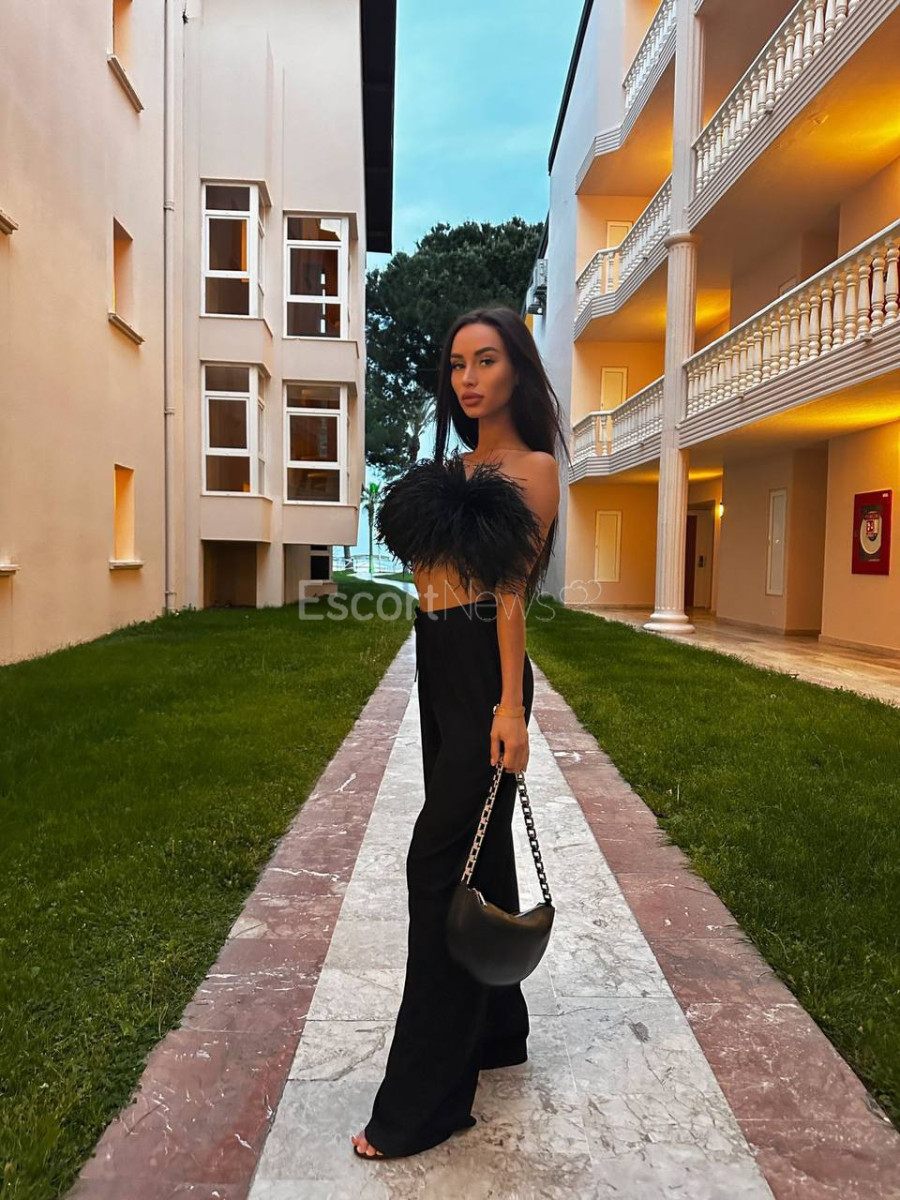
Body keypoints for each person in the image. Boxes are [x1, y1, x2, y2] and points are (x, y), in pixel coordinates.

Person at [350, 305, 568, 1160]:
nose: (468, 378)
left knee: (436, 864)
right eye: (456, 364)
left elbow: (509, 594)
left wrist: (509, 708)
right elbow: (428, 578)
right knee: (484, 848)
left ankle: (426, 1102)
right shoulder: (453, 469)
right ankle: (499, 1029)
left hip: (484, 674)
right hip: (438, 666)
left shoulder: (533, 469)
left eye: (486, 360)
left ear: (517, 370)